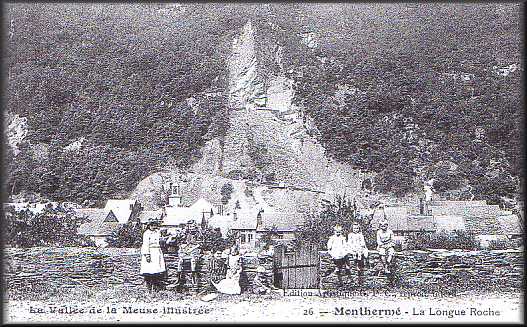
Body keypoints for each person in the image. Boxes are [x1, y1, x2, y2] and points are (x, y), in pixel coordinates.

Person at [140, 220, 166, 292]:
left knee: (156, 271)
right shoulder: (147, 233)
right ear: (149, 226)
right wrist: (147, 255)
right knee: (149, 270)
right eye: (152, 225)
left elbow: (160, 240)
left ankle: (155, 288)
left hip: (157, 252)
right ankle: (149, 288)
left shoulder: (157, 232)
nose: (154, 227)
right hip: (150, 252)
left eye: (155, 225)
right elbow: (145, 244)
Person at [176, 220, 202, 288]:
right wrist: (183, 247)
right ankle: (179, 278)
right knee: (180, 261)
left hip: (195, 250)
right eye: (190, 226)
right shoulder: (185, 234)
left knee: (193, 261)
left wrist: (193, 248)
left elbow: (200, 243)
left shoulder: (198, 234)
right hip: (186, 250)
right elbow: (180, 242)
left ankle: (194, 278)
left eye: (193, 226)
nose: (191, 228)